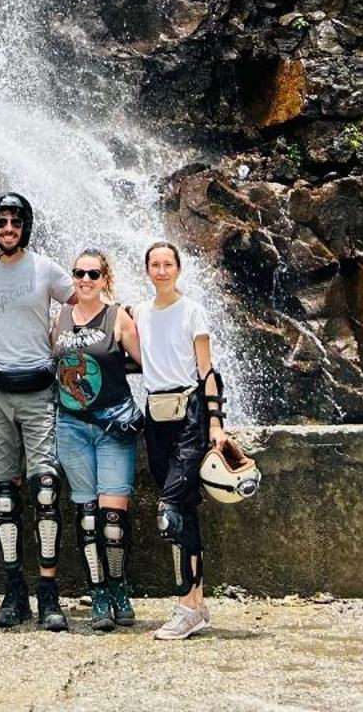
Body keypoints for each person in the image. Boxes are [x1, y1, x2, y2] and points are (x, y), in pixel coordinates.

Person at [135, 240, 250, 643]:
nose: (162, 270)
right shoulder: (141, 313)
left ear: (178, 269)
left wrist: (216, 425)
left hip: (189, 416)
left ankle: (186, 606)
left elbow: (207, 371)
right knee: (183, 509)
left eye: (168, 264)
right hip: (155, 416)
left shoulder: (192, 311)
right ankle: (197, 605)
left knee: (170, 510)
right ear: (147, 270)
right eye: (155, 265)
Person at [0, 191, 73, 632]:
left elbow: (86, 302)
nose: (7, 230)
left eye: (15, 223)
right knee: (3, 491)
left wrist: (62, 339)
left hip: (38, 388)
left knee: (45, 487)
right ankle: (14, 591)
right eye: (1, 223)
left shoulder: (47, 269)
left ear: (25, 227)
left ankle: (49, 593)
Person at [50, 248, 141, 631]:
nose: (85, 280)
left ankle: (119, 586)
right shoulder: (59, 319)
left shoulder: (118, 317)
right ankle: (98, 591)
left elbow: (146, 364)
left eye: (93, 274)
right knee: (87, 516)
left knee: (112, 518)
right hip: (71, 427)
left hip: (113, 427)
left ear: (105, 279)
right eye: (79, 273)